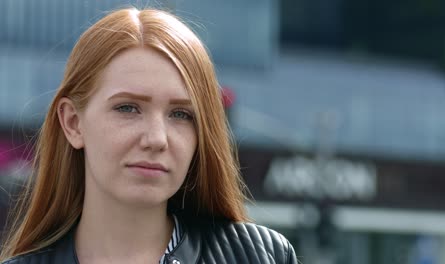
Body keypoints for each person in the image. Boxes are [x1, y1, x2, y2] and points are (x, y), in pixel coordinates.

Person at [0, 7, 297, 264]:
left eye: (181, 114)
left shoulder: (259, 256)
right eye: (128, 108)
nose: (157, 139)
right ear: (73, 123)